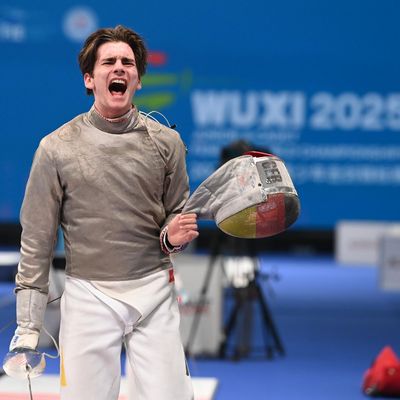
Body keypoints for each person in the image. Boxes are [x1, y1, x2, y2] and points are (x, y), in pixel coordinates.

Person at [8, 25, 198, 400]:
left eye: (128, 62)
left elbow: (175, 217)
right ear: (89, 79)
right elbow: (37, 240)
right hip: (87, 295)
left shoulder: (167, 143)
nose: (119, 68)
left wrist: (173, 238)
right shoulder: (56, 148)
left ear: (138, 79)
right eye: (108, 62)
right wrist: (28, 325)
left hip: (154, 290)